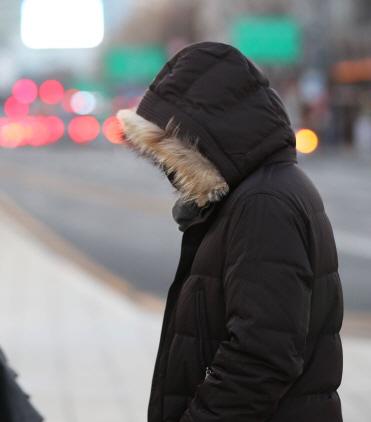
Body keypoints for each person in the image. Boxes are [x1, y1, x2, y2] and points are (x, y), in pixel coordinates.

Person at [117, 42, 343, 421]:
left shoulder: (263, 203)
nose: (169, 169)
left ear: (206, 135)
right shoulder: (258, 191)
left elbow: (260, 359)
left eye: (173, 149)